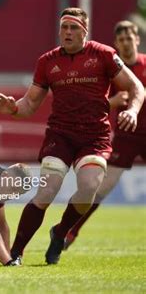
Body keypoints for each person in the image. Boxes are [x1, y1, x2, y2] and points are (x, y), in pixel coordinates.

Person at [0, 7, 144, 265]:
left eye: (74, 28)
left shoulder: (104, 54)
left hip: (95, 137)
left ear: (85, 31)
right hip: (60, 135)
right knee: (47, 191)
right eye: (64, 27)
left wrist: (134, 110)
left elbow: (135, 86)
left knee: (88, 190)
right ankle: (15, 253)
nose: (68, 32)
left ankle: (60, 232)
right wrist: (13, 108)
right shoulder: (47, 61)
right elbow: (29, 105)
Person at [64, 20, 146, 249]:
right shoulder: (113, 72)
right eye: (121, 40)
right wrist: (113, 102)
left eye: (129, 38)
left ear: (137, 39)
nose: (126, 43)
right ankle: (70, 231)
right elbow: (93, 104)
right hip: (126, 136)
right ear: (116, 44)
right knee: (101, 188)